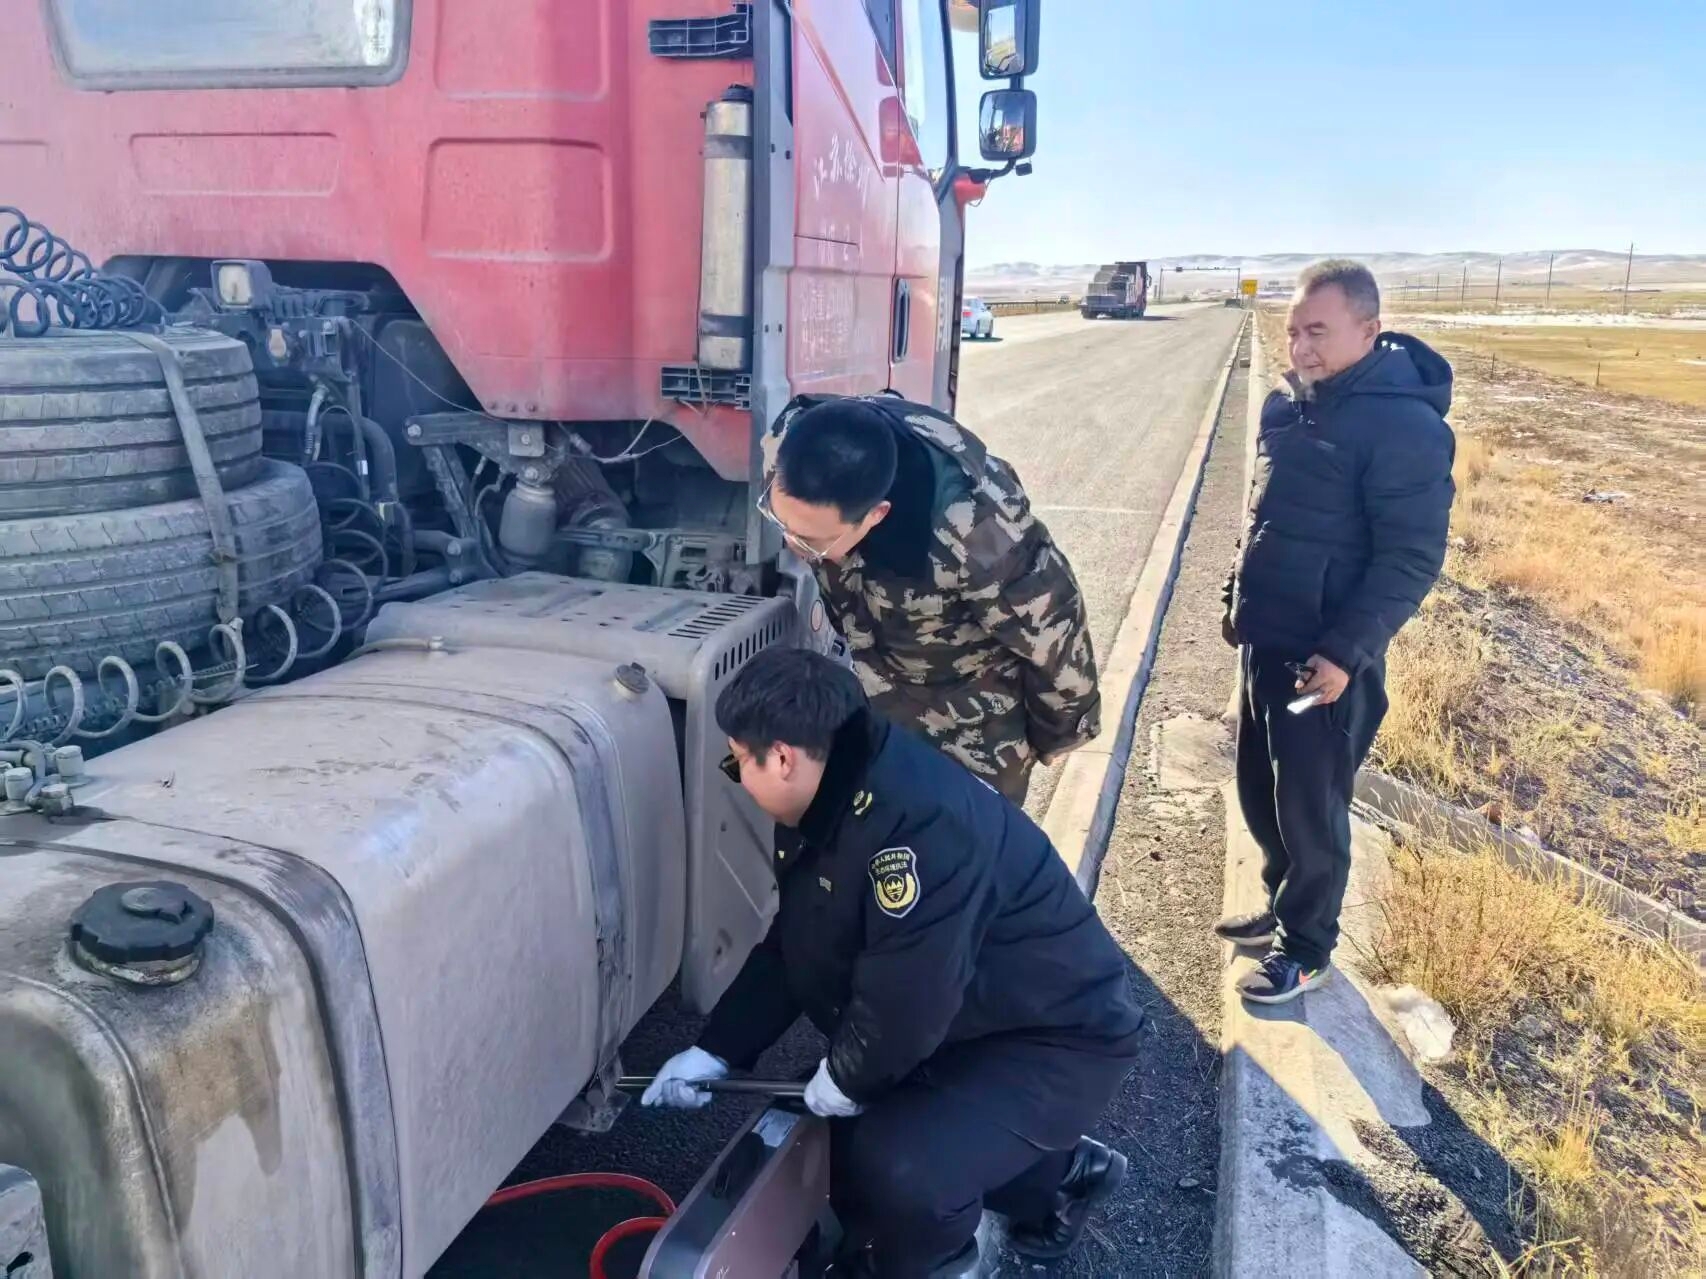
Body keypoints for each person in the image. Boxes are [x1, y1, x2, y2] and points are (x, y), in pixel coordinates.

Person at [642, 648, 1141, 1277]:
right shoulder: (830, 786)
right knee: (843, 1132)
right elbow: (797, 939)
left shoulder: (919, 830)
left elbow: (907, 1002)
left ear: (785, 758)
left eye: (740, 760)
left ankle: (937, 1264)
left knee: (903, 1169)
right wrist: (716, 1050)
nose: (737, 773)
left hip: (1053, 1036)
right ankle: (1064, 1177)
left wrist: (849, 1077)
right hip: (970, 1012)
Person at [1219, 259, 1455, 1004]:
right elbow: (1263, 518)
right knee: (1261, 790)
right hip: (1266, 641)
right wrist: (1236, 598)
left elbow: (1410, 558)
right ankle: (1279, 902)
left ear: (1369, 329)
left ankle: (1306, 946)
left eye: (1317, 331)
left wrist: (1345, 652)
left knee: (1310, 805)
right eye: (1294, 331)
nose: (1301, 347)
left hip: (1323, 662)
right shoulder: (1288, 408)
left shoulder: (1405, 427)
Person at [755, 392, 1099, 803]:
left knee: (962, 837)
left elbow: (1056, 635)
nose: (791, 545)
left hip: (970, 724)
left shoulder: (978, 535)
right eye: (780, 521)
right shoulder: (790, 449)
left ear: (876, 515)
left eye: (811, 542)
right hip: (878, 694)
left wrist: (1056, 734)